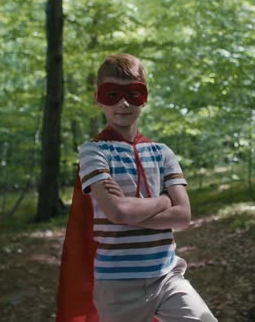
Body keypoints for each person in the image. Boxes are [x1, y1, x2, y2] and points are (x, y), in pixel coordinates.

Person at [56, 54, 217, 322]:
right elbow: (117, 212)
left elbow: (184, 217)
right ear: (98, 98)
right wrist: (165, 201)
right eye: (112, 94)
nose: (123, 103)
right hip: (117, 285)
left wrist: (132, 210)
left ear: (145, 97)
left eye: (134, 93)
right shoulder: (93, 151)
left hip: (167, 275)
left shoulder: (162, 152)